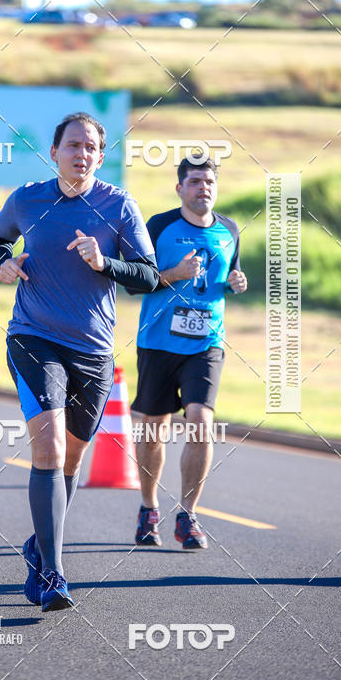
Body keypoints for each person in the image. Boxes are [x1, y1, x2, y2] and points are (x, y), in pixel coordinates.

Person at [0, 112, 159, 611]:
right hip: (33, 337)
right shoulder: (27, 199)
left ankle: (40, 546)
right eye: (73, 145)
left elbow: (147, 277)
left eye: (90, 148)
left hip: (94, 350)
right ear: (54, 152)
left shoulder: (119, 206)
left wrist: (105, 262)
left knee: (72, 459)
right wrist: (4, 262)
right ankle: (54, 573)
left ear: (101, 157)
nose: (81, 153)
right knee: (50, 447)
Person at [129, 157, 247, 550]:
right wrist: (174, 275)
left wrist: (235, 283)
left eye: (209, 181)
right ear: (179, 188)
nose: (203, 188)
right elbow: (135, 282)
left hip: (206, 344)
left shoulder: (230, 230)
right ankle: (148, 508)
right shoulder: (159, 227)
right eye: (195, 181)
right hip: (158, 343)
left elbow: (225, 277)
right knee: (153, 429)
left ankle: (188, 515)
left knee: (200, 421)